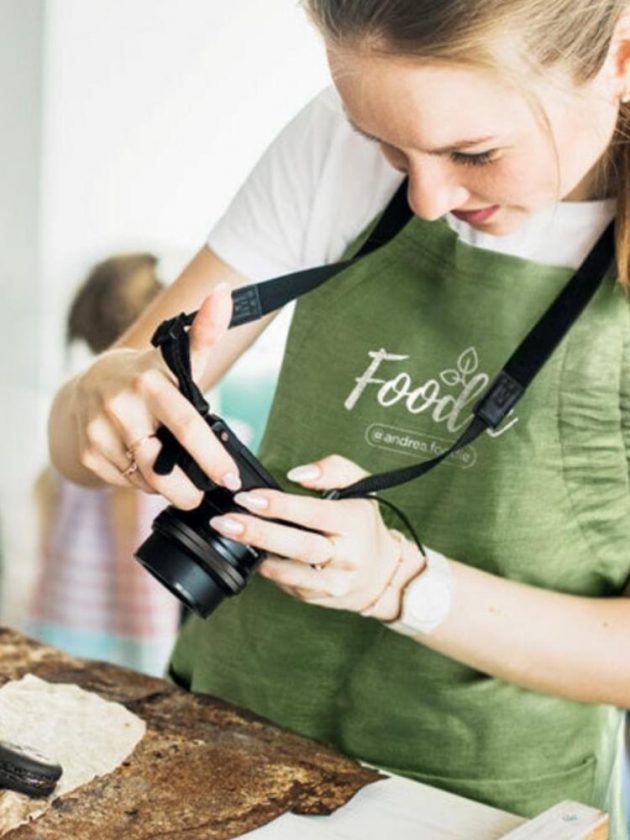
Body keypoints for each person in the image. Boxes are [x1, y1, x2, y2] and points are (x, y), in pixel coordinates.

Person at [47, 2, 630, 836]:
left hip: (482, 805)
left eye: (476, 154)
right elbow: (76, 448)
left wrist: (402, 584)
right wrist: (98, 397)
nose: (426, 198)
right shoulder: (332, 138)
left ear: (619, 61)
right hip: (224, 739)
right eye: (388, 148)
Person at [30, 254, 181, 676]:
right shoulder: (139, 428)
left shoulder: (80, 419)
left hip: (63, 609)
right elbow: (129, 524)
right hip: (121, 626)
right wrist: (149, 636)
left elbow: (46, 503)